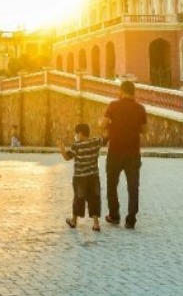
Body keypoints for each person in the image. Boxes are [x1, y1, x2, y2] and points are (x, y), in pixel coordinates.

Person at [101, 80, 147, 229]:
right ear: (134, 92)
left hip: (115, 152)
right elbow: (145, 130)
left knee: (112, 185)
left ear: (121, 91)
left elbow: (102, 125)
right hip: (133, 153)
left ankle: (114, 215)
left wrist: (112, 125)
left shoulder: (113, 106)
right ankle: (131, 219)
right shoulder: (140, 108)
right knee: (133, 187)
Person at [58, 122, 104, 232]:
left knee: (78, 198)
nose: (76, 136)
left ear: (80, 133)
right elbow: (103, 139)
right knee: (95, 198)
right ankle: (96, 224)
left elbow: (67, 158)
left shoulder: (76, 146)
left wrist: (62, 148)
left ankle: (74, 220)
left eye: (77, 134)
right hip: (93, 176)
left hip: (80, 178)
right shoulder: (95, 142)